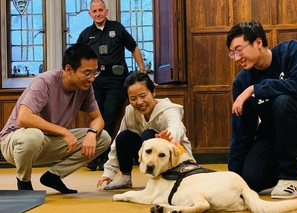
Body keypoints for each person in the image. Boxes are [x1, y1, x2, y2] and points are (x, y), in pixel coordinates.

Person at [226, 20, 297, 199]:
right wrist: (233, 178)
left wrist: (255, 89)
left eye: (239, 50)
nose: (237, 58)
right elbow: (242, 133)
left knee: (282, 101)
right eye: (232, 53)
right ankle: (276, 170)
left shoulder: (291, 50)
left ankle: (289, 177)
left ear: (258, 42)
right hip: (274, 134)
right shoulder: (241, 82)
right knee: (250, 179)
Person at [0, 43, 111, 193]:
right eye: (87, 73)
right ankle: (23, 180)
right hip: (16, 142)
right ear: (68, 69)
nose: (91, 78)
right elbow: (24, 118)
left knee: (102, 137)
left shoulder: (85, 87)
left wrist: (91, 133)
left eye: (94, 73)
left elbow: (98, 119)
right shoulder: (45, 82)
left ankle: (53, 176)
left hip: (49, 141)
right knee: (34, 135)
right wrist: (64, 132)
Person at [77, 0, 146, 171]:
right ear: (90, 14)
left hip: (116, 81)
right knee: (97, 117)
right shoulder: (86, 34)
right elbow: (76, 55)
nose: (98, 13)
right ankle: (99, 157)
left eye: (101, 10)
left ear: (106, 11)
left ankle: (99, 157)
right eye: (94, 11)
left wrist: (142, 70)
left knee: (108, 118)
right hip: (95, 81)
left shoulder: (117, 28)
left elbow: (134, 47)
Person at [96, 71, 193, 190]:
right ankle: (126, 178)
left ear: (153, 92)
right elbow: (118, 142)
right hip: (150, 158)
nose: (139, 102)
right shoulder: (130, 111)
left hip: (175, 160)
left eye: (143, 96)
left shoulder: (168, 109)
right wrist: (109, 171)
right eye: (133, 98)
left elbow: (177, 126)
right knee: (123, 137)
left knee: (149, 135)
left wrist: (170, 136)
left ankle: (162, 180)